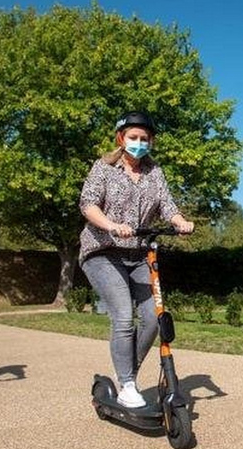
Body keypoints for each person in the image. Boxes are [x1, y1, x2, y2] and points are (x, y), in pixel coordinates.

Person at [79, 111, 194, 409]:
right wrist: (111, 225)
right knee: (123, 316)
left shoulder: (155, 173)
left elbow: (168, 206)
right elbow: (88, 204)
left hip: (139, 253)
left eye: (144, 139)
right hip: (102, 251)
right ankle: (128, 384)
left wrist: (180, 221)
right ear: (121, 138)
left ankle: (126, 372)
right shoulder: (103, 168)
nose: (139, 143)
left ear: (151, 141)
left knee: (155, 318)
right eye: (133, 138)